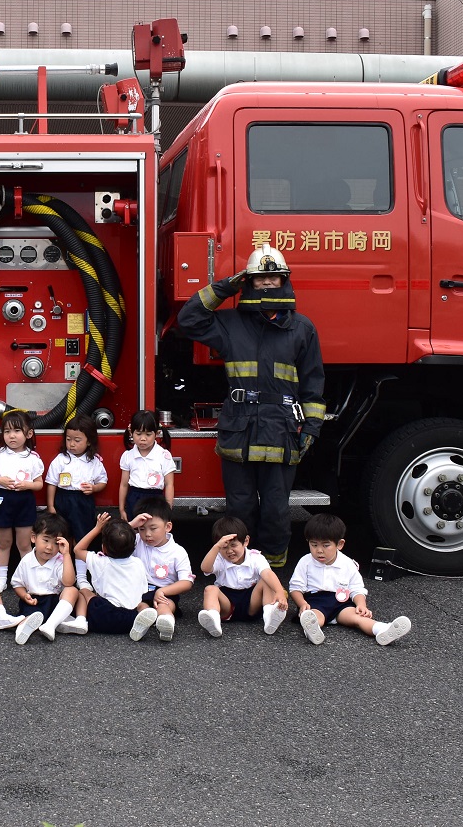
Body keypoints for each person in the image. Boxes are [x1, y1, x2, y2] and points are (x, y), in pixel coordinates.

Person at [176, 243, 326, 567]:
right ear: (249, 283)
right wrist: (226, 286)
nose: (268, 283)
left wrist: (311, 427)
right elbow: (188, 319)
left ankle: (271, 577)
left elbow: (313, 383)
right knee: (239, 508)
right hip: (239, 429)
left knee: (275, 509)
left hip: (281, 429)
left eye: (274, 276)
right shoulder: (230, 323)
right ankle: (238, 573)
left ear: (284, 279)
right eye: (260, 278)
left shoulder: (302, 327)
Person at [288, 514, 412, 646]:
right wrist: (302, 604)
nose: (319, 550)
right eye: (314, 545)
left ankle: (383, 629)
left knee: (358, 618)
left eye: (326, 545)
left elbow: (356, 588)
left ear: (339, 544)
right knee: (315, 618)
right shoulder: (305, 562)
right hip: (315, 601)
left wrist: (361, 605)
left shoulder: (347, 563)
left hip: (340, 602)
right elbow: (295, 587)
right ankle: (311, 631)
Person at [0, 410, 45, 591]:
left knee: (24, 544)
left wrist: (28, 485)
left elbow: (39, 484)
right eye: (7, 431)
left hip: (24, 500)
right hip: (2, 499)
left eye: (17, 431)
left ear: (28, 433)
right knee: (4, 543)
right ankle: (2, 579)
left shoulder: (33, 458)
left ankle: (27, 578)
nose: (12, 436)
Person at [196, 516, 289, 637]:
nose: (229, 551)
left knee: (266, 581)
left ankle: (269, 615)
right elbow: (205, 568)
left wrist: (279, 592)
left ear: (245, 541)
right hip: (227, 603)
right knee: (210, 589)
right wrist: (216, 547)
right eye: (224, 547)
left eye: (233, 545)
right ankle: (213, 619)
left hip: (251, 602)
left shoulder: (255, 557)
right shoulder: (219, 558)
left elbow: (268, 573)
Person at [73, 513, 155, 641]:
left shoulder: (101, 562)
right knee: (143, 601)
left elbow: (78, 549)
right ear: (133, 547)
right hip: (131, 618)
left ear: (104, 548)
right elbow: (121, 537)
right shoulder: (137, 563)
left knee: (84, 592)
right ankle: (145, 613)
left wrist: (97, 528)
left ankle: (81, 619)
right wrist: (130, 526)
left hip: (104, 617)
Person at [10, 513, 85, 641]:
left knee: (73, 590)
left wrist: (66, 555)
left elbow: (69, 582)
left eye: (56, 543)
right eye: (45, 540)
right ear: (33, 538)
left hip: (55, 602)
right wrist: (24, 596)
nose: (50, 547)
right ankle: (23, 630)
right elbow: (17, 584)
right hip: (34, 602)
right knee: (28, 618)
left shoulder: (60, 560)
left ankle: (51, 624)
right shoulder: (27, 560)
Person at [128, 498, 194, 642]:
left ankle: (166, 624)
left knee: (165, 605)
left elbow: (187, 582)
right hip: (141, 590)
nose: (147, 534)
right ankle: (143, 623)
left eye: (153, 528)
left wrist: (163, 591)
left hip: (165, 591)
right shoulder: (136, 540)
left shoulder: (177, 551)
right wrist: (131, 525)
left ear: (168, 527)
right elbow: (114, 540)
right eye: (142, 528)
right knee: (141, 605)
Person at [45, 415, 108, 543]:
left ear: (89, 441)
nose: (72, 444)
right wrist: (51, 505)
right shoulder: (60, 460)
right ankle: (63, 560)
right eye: (68, 439)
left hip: (83, 501)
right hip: (63, 499)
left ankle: (80, 562)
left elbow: (103, 480)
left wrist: (94, 488)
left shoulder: (94, 461)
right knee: (62, 533)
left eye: (77, 440)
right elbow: (51, 483)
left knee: (82, 534)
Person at [118, 410, 176, 520]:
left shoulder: (164, 455)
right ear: (131, 432)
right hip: (134, 498)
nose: (143, 439)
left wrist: (167, 510)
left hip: (156, 500)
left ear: (157, 433)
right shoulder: (127, 456)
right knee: (135, 532)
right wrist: (121, 509)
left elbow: (169, 485)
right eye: (138, 434)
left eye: (148, 434)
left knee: (154, 532)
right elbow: (124, 485)